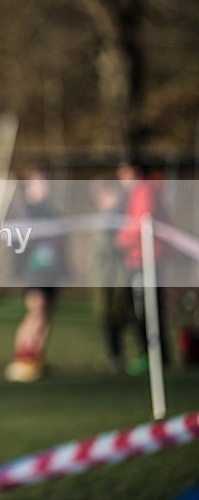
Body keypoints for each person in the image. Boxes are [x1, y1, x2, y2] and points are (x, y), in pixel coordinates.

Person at [4, 167, 67, 383]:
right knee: (36, 311)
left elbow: (61, 240)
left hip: (52, 270)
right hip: (33, 270)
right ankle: (20, 359)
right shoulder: (24, 210)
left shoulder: (52, 210)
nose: (45, 187)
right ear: (30, 186)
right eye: (40, 182)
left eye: (47, 182)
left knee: (46, 314)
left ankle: (36, 360)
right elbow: (17, 241)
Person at [114, 156, 170, 375]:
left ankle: (153, 354)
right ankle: (155, 354)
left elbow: (140, 223)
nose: (120, 178)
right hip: (141, 257)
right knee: (149, 307)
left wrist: (121, 240)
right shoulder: (141, 191)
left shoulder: (144, 191)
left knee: (147, 308)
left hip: (146, 258)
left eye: (123, 172)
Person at [90, 178, 137, 372]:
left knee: (130, 314)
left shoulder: (126, 216)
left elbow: (124, 242)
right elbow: (108, 245)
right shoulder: (98, 220)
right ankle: (115, 356)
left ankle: (144, 354)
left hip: (123, 275)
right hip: (104, 278)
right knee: (107, 316)